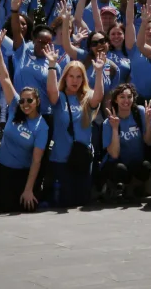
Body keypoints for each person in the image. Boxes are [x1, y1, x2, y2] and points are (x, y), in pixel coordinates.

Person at [0, 31, 47, 212]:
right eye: (22, 100)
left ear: (37, 101)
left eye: (29, 100)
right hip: (2, 169)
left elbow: (36, 161)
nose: (25, 104)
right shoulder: (14, 107)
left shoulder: (41, 126)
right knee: (0, 207)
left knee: (24, 207)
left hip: (22, 173)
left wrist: (28, 189)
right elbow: (4, 78)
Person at [47, 54, 106, 207]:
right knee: (64, 202)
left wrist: (99, 72)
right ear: (65, 78)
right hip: (61, 159)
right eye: (71, 76)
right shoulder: (59, 97)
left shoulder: (87, 97)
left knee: (81, 202)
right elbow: (51, 91)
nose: (75, 80)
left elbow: (98, 97)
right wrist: (52, 65)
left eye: (79, 77)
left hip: (82, 159)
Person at [101, 83, 151, 201]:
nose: (126, 101)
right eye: (122, 97)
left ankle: (131, 187)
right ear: (116, 99)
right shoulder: (108, 123)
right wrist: (115, 128)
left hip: (136, 162)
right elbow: (114, 154)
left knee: (145, 167)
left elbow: (149, 142)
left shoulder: (140, 113)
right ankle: (114, 185)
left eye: (129, 97)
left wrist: (148, 121)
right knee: (120, 169)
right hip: (118, 164)